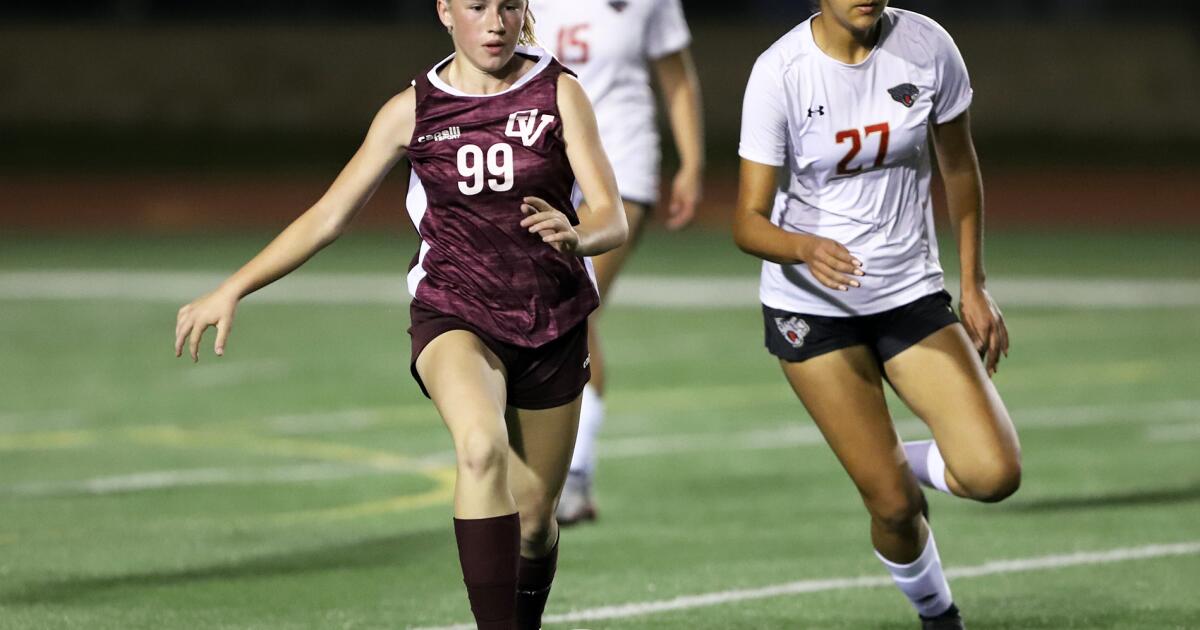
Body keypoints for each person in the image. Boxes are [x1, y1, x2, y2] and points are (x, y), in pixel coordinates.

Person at [173, 1, 628, 627]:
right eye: (476, 7)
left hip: (551, 320)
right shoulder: (413, 110)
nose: (494, 21)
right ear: (445, 11)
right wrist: (233, 288)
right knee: (479, 448)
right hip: (455, 312)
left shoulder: (559, 93)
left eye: (507, 6)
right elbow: (329, 216)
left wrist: (577, 234)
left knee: (533, 522)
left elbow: (612, 215)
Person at [732, 2, 1021, 628]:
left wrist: (973, 284)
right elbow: (746, 222)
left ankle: (887, 455)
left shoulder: (928, 45)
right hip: (811, 310)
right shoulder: (780, 71)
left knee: (995, 473)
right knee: (893, 506)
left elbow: (959, 166)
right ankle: (938, 613)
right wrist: (804, 247)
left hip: (910, 293)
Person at [529, 0, 705, 525]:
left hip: (622, 164)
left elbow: (676, 78)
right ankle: (546, 465)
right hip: (545, 164)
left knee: (576, 308)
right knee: (541, 309)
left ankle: (574, 475)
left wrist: (692, 165)